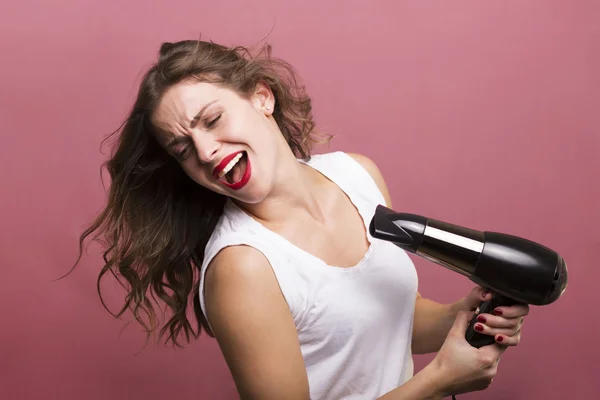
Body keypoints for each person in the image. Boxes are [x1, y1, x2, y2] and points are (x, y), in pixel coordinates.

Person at [76, 39, 529, 399]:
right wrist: (440, 380)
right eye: (182, 149)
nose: (206, 151)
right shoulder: (244, 267)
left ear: (261, 98)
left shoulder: (357, 174)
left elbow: (385, 321)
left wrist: (462, 316)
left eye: (212, 119)